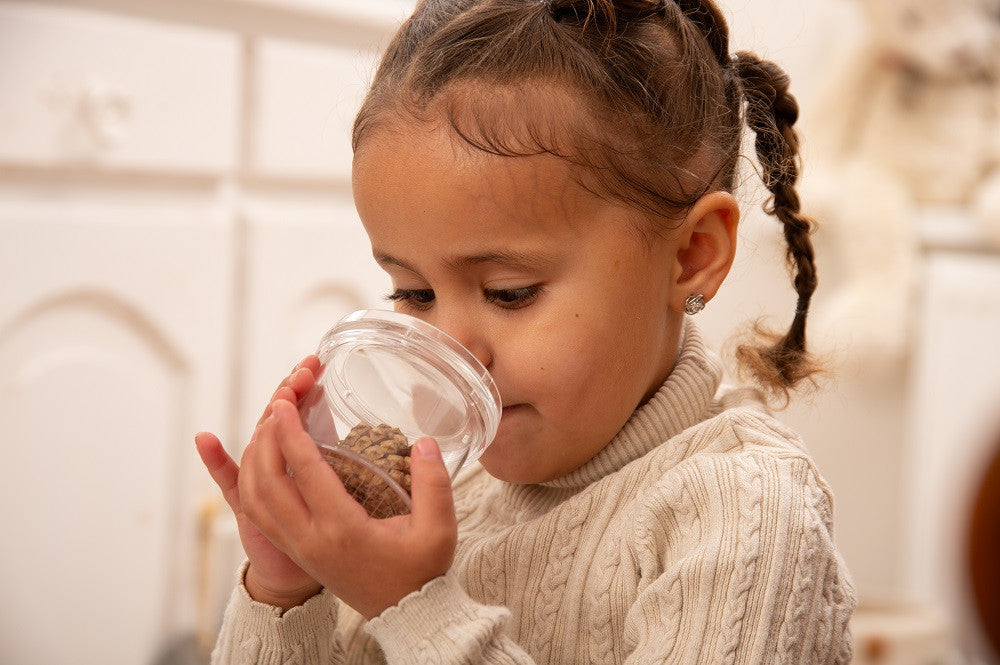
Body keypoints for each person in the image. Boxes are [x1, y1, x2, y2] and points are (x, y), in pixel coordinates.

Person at [194, 0, 857, 661]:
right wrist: (287, 592)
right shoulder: (437, 488)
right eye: (413, 292)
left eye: (510, 293)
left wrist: (417, 609)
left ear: (691, 255)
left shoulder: (750, 515)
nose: (449, 352)